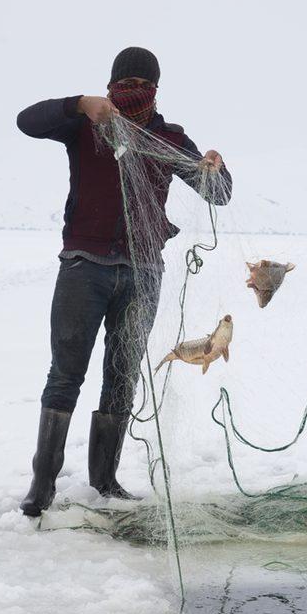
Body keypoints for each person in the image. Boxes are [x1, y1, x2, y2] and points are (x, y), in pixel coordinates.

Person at [17, 46, 232, 517]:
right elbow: (26, 121)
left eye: (142, 85)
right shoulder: (86, 124)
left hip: (143, 271)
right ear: (110, 86)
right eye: (125, 84)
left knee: (122, 375)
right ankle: (42, 483)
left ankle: (105, 480)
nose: (133, 91)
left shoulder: (169, 138)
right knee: (65, 374)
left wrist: (217, 167)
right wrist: (79, 104)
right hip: (83, 267)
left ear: (156, 89)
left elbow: (219, 194)